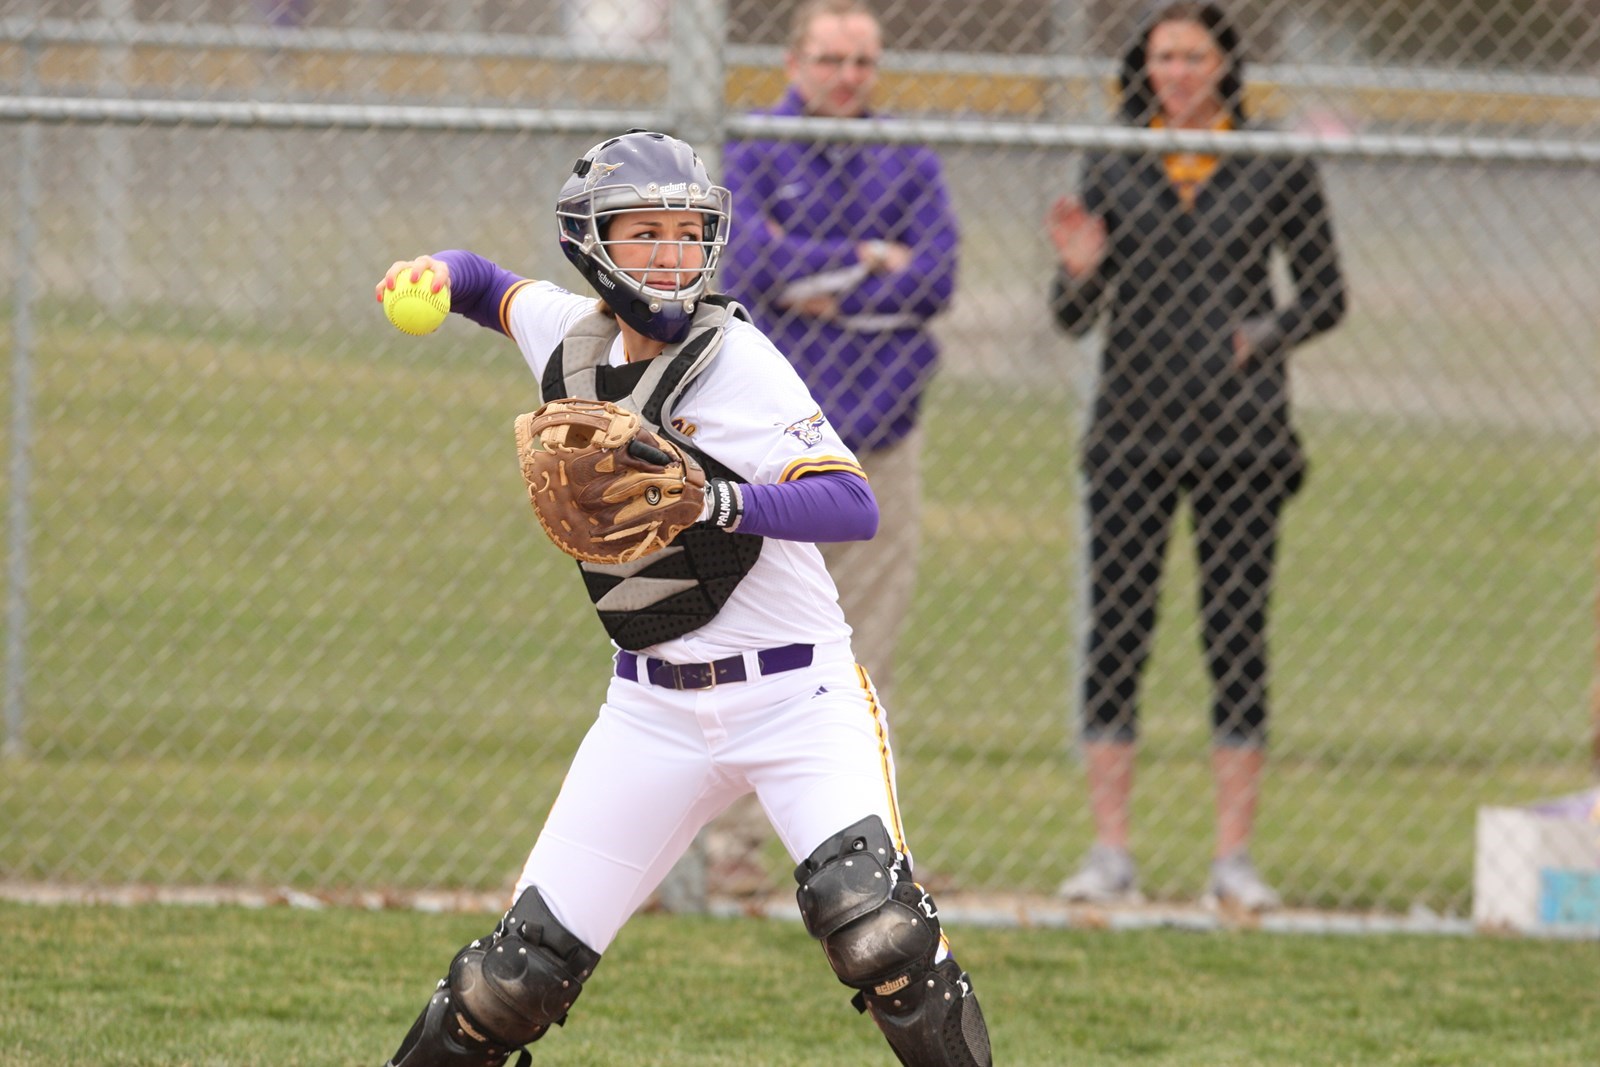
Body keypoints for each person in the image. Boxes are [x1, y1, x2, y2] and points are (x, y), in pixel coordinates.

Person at [373, 130, 991, 1067]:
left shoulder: (733, 357)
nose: (670, 254)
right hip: (652, 710)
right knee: (508, 982)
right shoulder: (569, 333)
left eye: (687, 232)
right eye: (644, 233)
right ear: (592, 243)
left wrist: (715, 498)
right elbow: (483, 283)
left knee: (879, 932)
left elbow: (851, 501)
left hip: (798, 701)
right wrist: (430, 272)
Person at [1046, 3, 1346, 911]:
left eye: (1194, 54)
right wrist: (1081, 268)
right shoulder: (1114, 159)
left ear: (1223, 65)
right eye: (1163, 55)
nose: (1177, 69)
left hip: (1242, 435)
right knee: (1119, 635)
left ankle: (1233, 859)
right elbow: (1070, 318)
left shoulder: (1272, 158)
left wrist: (1263, 334)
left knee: (1234, 635)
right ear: (1145, 66)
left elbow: (1327, 293)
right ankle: (1110, 852)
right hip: (1133, 428)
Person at [720, 0, 959, 696]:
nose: (848, 76)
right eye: (830, 59)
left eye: (862, 62)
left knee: (859, 656)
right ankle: (736, 812)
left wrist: (838, 296)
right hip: (769, 443)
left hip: (880, 435)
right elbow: (751, 265)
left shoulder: (906, 157)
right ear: (794, 64)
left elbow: (936, 277)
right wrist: (867, 256)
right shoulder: (754, 145)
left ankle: (847, 804)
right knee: (750, 650)